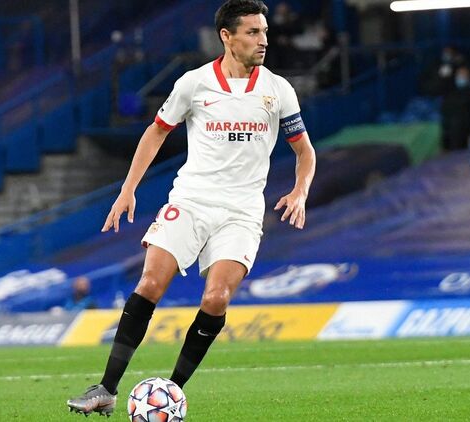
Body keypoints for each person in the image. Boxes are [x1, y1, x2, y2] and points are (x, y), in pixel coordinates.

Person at [67, 0, 316, 416]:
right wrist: (128, 189)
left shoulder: (278, 90)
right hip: (191, 201)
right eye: (253, 32)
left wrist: (300, 191)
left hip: (241, 212)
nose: (263, 41)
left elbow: (304, 151)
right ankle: (106, 389)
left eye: (265, 32)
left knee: (216, 298)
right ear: (227, 36)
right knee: (149, 284)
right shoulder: (194, 84)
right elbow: (156, 132)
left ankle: (171, 393)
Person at [440, 65, 470, 151]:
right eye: (459, 75)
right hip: (451, 134)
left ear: (469, 77)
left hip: (469, 133)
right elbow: (445, 111)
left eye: (464, 75)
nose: (461, 77)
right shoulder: (449, 94)